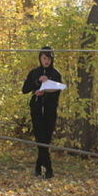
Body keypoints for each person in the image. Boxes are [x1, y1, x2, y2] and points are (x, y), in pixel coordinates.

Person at [21, 46, 62, 179]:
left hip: (50, 109)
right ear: (40, 58)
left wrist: (46, 92)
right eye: (44, 58)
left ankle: (39, 168)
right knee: (40, 138)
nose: (46, 61)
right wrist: (37, 82)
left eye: (49, 58)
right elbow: (25, 89)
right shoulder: (34, 72)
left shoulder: (56, 74)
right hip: (36, 108)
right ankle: (48, 170)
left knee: (46, 139)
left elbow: (57, 93)